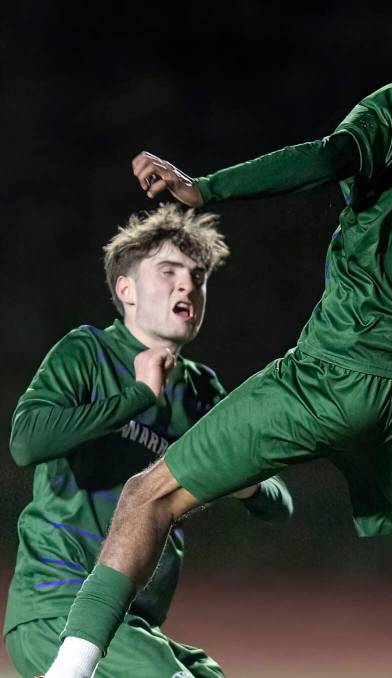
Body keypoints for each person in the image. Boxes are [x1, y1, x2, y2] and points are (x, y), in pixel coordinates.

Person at [43, 33, 392, 678]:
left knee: (145, 498)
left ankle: (63, 676)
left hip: (329, 376)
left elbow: (325, 160)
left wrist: (206, 189)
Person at [7, 204, 293, 677]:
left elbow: (277, 503)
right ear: (126, 290)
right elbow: (27, 443)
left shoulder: (201, 390)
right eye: (168, 271)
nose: (187, 285)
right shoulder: (88, 351)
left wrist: (237, 475)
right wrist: (137, 396)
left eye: (198, 277)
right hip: (56, 608)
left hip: (132, 625)